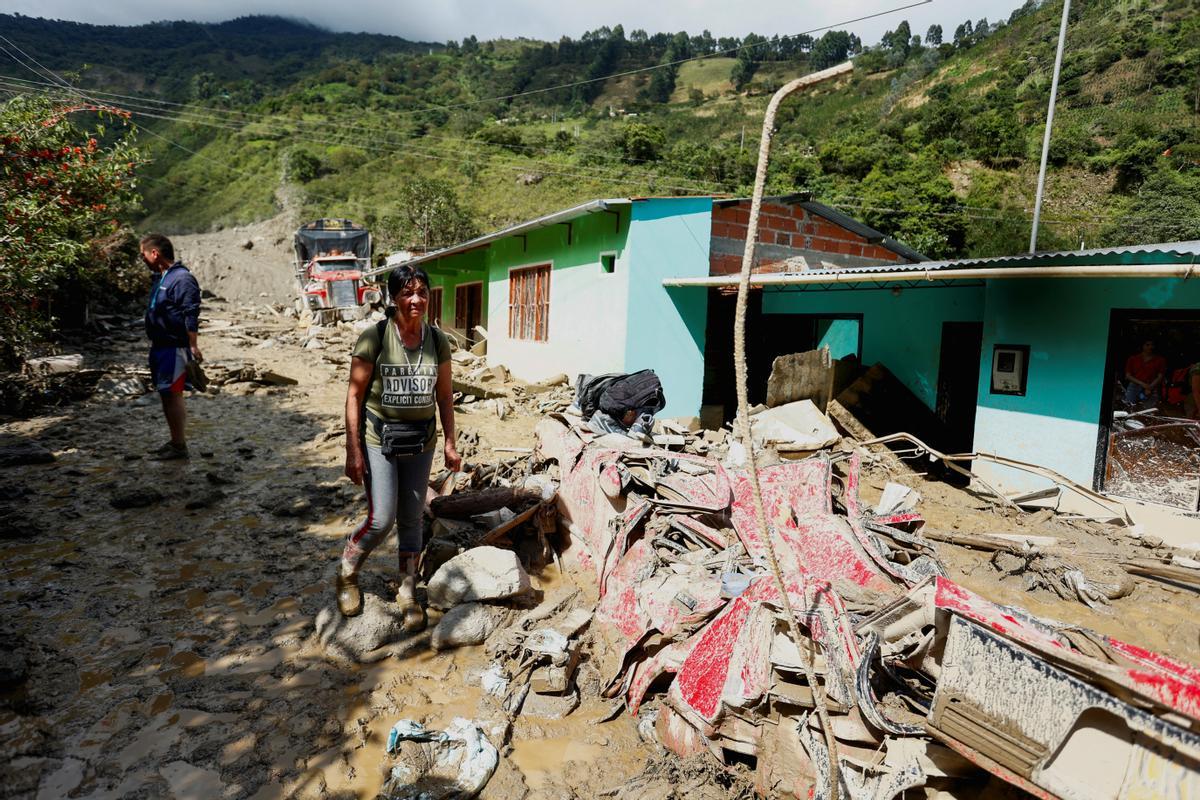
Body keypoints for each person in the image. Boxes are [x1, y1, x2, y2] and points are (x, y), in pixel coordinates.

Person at [337, 265, 460, 628]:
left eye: (422, 291)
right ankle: (347, 573)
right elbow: (354, 395)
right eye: (407, 293)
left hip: (422, 441)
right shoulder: (374, 338)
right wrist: (353, 450)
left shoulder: (437, 341)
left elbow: (445, 397)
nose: (416, 299)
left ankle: (407, 589)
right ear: (393, 298)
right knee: (381, 519)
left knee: (412, 519)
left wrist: (451, 443)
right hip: (380, 439)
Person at [141, 233, 202, 460]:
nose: (143, 259)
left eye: (143, 254)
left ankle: (179, 446)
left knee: (173, 394)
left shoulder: (182, 278)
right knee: (166, 394)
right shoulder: (161, 277)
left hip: (174, 347)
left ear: (154, 253)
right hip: (160, 346)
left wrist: (193, 346)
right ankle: (175, 442)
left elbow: (191, 313)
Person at [1123, 339, 1166, 407]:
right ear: (1143, 346)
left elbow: (1160, 376)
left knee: (1149, 410)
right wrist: (1143, 384)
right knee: (1129, 406)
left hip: (1152, 386)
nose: (1150, 347)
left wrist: (1150, 387)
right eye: (1147, 345)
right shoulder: (1133, 359)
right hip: (1135, 386)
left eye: (1152, 345)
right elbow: (1128, 375)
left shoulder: (1160, 360)